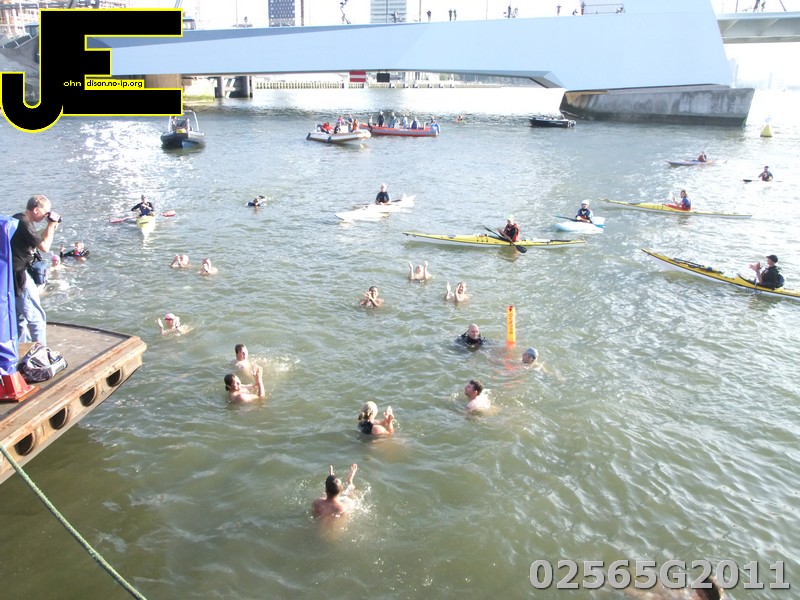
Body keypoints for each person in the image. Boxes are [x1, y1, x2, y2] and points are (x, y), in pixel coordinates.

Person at [11, 194, 60, 345]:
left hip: (11, 274)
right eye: (45, 213)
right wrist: (51, 225)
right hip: (21, 275)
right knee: (36, 318)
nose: (46, 216)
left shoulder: (17, 219)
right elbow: (45, 247)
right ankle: (41, 353)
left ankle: (21, 351)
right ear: (36, 210)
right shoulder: (25, 223)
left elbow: (37, 240)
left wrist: (49, 227)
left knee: (19, 318)